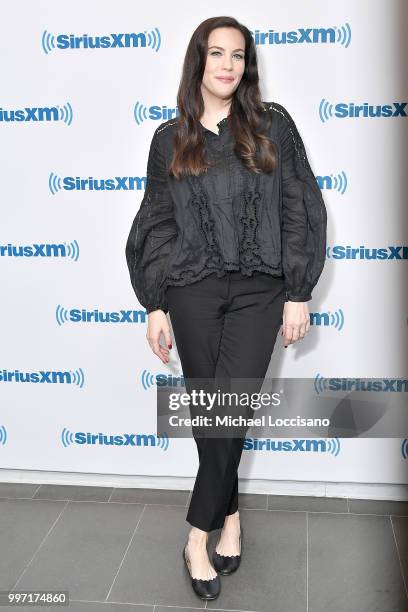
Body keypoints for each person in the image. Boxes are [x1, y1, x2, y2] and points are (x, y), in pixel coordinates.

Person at [125, 16, 327, 602]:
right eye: (216, 53)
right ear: (198, 62)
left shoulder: (273, 126)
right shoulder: (170, 138)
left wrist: (298, 290)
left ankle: (195, 536)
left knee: (229, 410)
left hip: (262, 289)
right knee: (213, 414)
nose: (228, 65)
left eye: (238, 55)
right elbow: (158, 223)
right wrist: (155, 304)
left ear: (248, 66)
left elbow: (299, 205)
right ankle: (231, 518)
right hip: (191, 290)